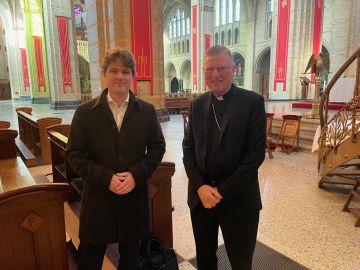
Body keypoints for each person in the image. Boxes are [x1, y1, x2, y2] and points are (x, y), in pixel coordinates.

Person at [66, 47, 166, 270]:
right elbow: (74, 154)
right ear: (104, 75)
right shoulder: (85, 112)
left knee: (130, 261)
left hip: (133, 198)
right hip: (99, 199)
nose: (120, 76)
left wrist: (135, 175)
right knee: (89, 260)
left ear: (132, 75)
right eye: (113, 71)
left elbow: (158, 147)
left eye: (125, 71)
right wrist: (106, 178)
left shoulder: (147, 111)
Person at [182, 45, 266, 270]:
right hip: (201, 200)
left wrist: (221, 191)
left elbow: (255, 155)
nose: (215, 74)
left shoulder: (252, 103)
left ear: (233, 69)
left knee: (240, 262)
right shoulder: (197, 104)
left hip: (238, 199)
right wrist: (200, 187)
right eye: (210, 69)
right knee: (205, 260)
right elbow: (188, 149)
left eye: (221, 68)